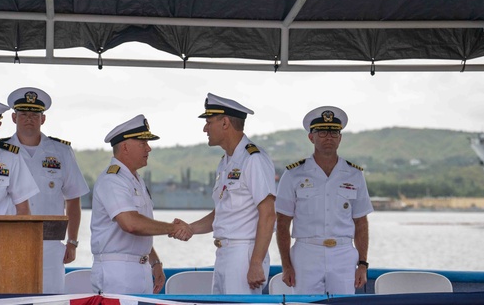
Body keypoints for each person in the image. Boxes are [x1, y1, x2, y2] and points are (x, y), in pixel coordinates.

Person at [0, 87, 89, 293]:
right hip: (8, 242)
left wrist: (72, 242)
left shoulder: (61, 151)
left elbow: (73, 200)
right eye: (23, 114)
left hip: (49, 243)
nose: (29, 119)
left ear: (43, 119)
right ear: (14, 118)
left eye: (34, 115)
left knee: (51, 304)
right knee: (8, 304)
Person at [275, 106, 372, 294]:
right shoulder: (294, 174)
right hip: (306, 253)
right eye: (322, 132)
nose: (329, 137)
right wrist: (286, 265)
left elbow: (361, 223)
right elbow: (282, 223)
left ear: (340, 138)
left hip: (343, 254)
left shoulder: (354, 174)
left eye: (334, 132)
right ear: (311, 137)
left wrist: (362, 264)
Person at [90, 115, 192, 294]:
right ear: (125, 146)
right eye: (143, 143)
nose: (149, 148)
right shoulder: (112, 180)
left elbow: (140, 229)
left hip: (140, 269)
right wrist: (172, 228)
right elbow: (131, 223)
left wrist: (155, 262)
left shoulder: (135, 180)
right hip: (117, 272)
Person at [188, 94, 276, 294]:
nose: (205, 128)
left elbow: (268, 214)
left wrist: (255, 263)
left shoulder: (253, 159)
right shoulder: (226, 161)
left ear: (225, 123)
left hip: (244, 255)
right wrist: (190, 228)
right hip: (225, 254)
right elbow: (222, 213)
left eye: (209, 122)